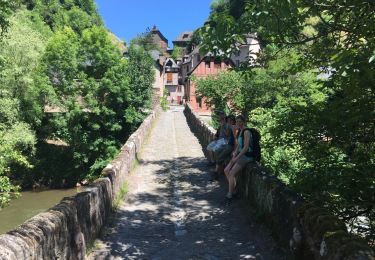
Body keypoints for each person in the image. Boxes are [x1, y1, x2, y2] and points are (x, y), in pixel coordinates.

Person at [224, 115, 255, 202]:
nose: (238, 123)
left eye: (240, 122)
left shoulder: (246, 132)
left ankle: (230, 195)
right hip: (240, 154)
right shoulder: (239, 131)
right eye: (237, 122)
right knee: (226, 170)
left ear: (244, 122)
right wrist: (235, 153)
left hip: (247, 156)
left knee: (231, 173)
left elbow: (245, 148)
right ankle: (234, 190)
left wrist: (236, 157)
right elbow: (238, 145)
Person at [211, 115, 236, 180]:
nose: (229, 121)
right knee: (217, 152)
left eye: (231, 120)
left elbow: (235, 139)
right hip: (228, 144)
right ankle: (219, 171)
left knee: (220, 157)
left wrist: (234, 150)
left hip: (230, 146)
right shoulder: (230, 126)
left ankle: (216, 173)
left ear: (233, 121)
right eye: (228, 120)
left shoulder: (233, 127)